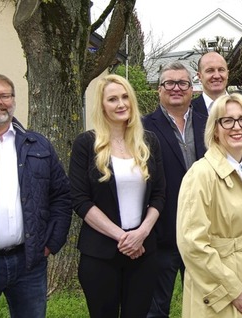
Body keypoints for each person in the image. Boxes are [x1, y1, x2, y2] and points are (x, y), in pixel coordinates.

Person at [0, 73, 72, 317]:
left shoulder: (37, 145)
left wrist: (50, 244)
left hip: (29, 264)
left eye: (5, 95)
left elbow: (61, 195)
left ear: (13, 100)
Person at [70, 74, 166, 317]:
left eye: (125, 97)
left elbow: (159, 194)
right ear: (102, 105)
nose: (121, 104)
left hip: (143, 251)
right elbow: (80, 200)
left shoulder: (148, 142)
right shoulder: (86, 144)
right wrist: (123, 237)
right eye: (112, 99)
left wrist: (141, 234)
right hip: (100, 253)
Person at [176, 93, 242, 317]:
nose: (237, 127)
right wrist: (233, 290)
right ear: (215, 129)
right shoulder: (201, 174)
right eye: (227, 120)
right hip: (221, 284)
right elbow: (192, 244)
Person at [142, 61, 205, 317]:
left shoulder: (209, 124)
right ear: (159, 89)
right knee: (157, 307)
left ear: (192, 89)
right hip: (162, 233)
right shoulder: (143, 127)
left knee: (205, 304)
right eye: (170, 82)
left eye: (183, 83)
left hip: (203, 232)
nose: (176, 88)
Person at [191, 51, 229, 116]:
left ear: (227, 74)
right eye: (210, 71)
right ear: (199, 76)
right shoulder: (189, 110)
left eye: (221, 70)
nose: (217, 76)